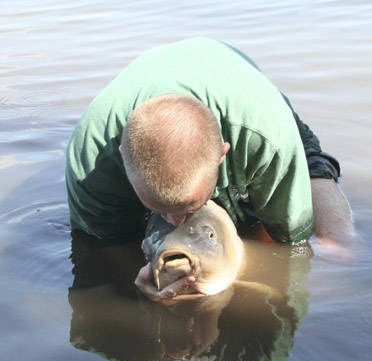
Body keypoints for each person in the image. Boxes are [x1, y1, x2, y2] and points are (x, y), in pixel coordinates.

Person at [66, 37, 354, 300]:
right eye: (161, 207)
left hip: (243, 97)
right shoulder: (89, 163)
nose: (176, 220)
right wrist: (143, 278)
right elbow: (104, 246)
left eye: (190, 205)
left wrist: (236, 268)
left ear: (222, 154)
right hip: (142, 100)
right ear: (121, 160)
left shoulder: (267, 137)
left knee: (333, 246)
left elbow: (289, 244)